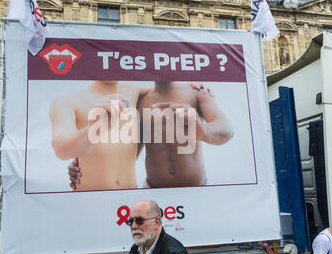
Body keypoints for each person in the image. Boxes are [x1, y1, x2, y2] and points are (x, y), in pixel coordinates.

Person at [68, 81, 233, 189]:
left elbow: (227, 129)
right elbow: (129, 150)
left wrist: (203, 132)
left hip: (196, 188)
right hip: (152, 191)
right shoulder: (140, 100)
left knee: (200, 242)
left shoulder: (196, 92)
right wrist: (85, 166)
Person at [127, 200, 195, 254]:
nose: (133, 226)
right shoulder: (135, 250)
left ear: (157, 222)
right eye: (130, 221)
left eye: (139, 221)